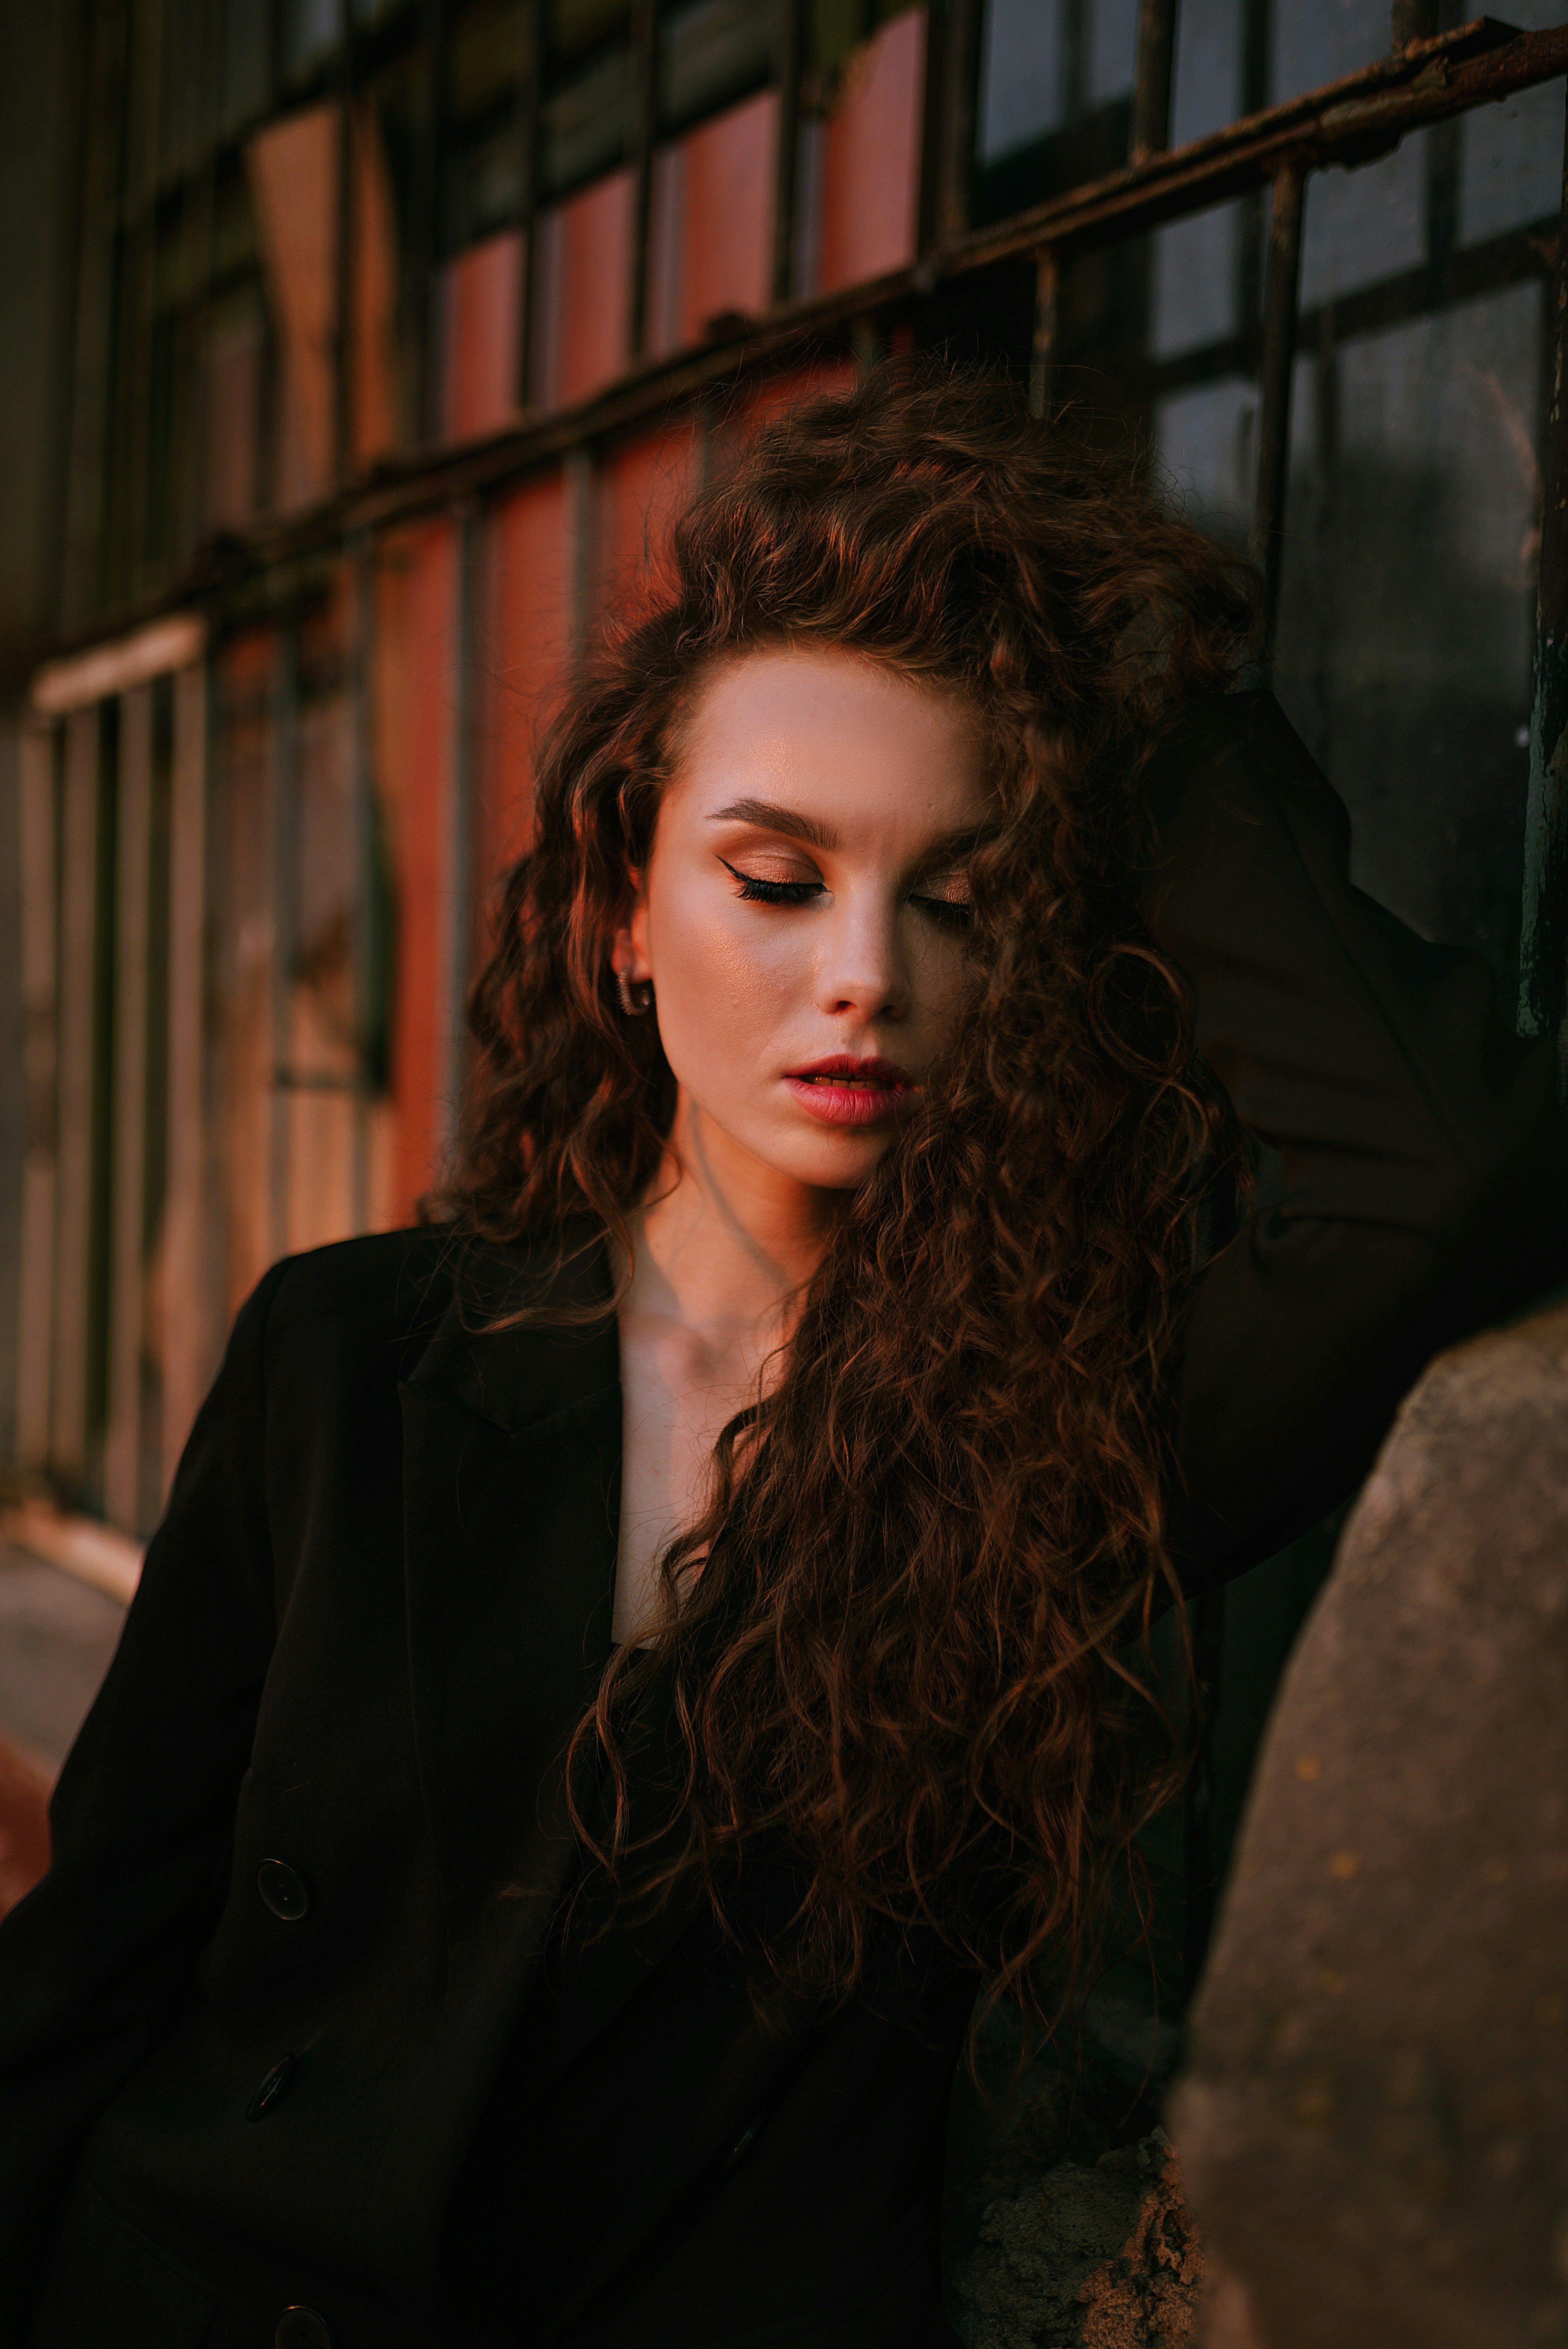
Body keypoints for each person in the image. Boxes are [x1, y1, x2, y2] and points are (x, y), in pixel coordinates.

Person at [0, 367, 1560, 2349]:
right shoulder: (347, 1356)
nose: (862, 973)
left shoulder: (1054, 1435)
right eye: (776, 875)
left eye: (959, 895)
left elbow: (1430, 1166)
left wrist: (1124, 705)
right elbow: (91, 1968)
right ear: (625, 912)